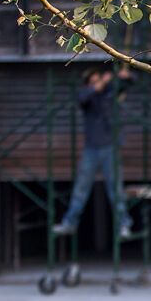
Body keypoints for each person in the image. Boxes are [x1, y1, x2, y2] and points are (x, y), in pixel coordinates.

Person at [53, 66, 135, 238]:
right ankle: (70, 223)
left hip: (109, 147)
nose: (98, 84)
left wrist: (125, 76)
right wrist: (100, 83)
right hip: (91, 149)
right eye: (93, 81)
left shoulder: (109, 94)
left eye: (98, 80)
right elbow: (83, 96)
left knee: (115, 189)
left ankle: (124, 224)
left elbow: (129, 82)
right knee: (81, 189)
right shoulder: (87, 96)